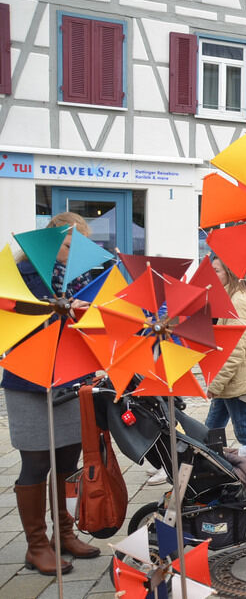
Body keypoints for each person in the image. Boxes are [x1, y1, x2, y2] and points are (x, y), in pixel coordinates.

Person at [2, 213, 102, 576]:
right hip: (29, 381)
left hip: (72, 379)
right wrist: (50, 313)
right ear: (49, 241)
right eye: (67, 244)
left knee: (67, 462)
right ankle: (37, 546)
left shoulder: (86, 280)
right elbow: (10, 327)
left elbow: (96, 330)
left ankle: (65, 533)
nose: (74, 253)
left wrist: (84, 315)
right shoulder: (20, 277)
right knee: (36, 464)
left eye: (81, 246)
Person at [204, 257, 246, 448]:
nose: (212, 275)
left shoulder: (237, 302)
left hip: (238, 381)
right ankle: (201, 468)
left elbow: (234, 351)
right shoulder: (229, 297)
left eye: (216, 271)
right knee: (211, 430)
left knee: (244, 433)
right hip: (232, 381)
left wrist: (216, 384)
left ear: (229, 273)